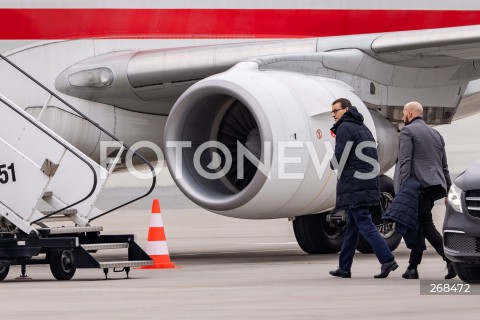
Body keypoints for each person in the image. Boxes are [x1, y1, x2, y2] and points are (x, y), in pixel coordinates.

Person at [328, 98, 398, 279]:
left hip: (355, 185)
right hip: (365, 183)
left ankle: (388, 260)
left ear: (346, 109)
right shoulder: (363, 128)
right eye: (332, 112)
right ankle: (344, 268)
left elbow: (340, 157)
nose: (334, 115)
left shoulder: (345, 128)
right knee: (352, 228)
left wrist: (330, 164)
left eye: (336, 111)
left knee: (365, 225)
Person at [394, 101, 456, 280]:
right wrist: (448, 190)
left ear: (411, 113)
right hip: (434, 186)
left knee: (426, 226)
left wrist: (403, 189)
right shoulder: (436, 134)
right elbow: (444, 166)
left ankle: (451, 259)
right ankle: (412, 268)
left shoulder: (407, 132)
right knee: (419, 225)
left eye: (404, 113)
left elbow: (404, 162)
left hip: (417, 187)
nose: (403, 116)